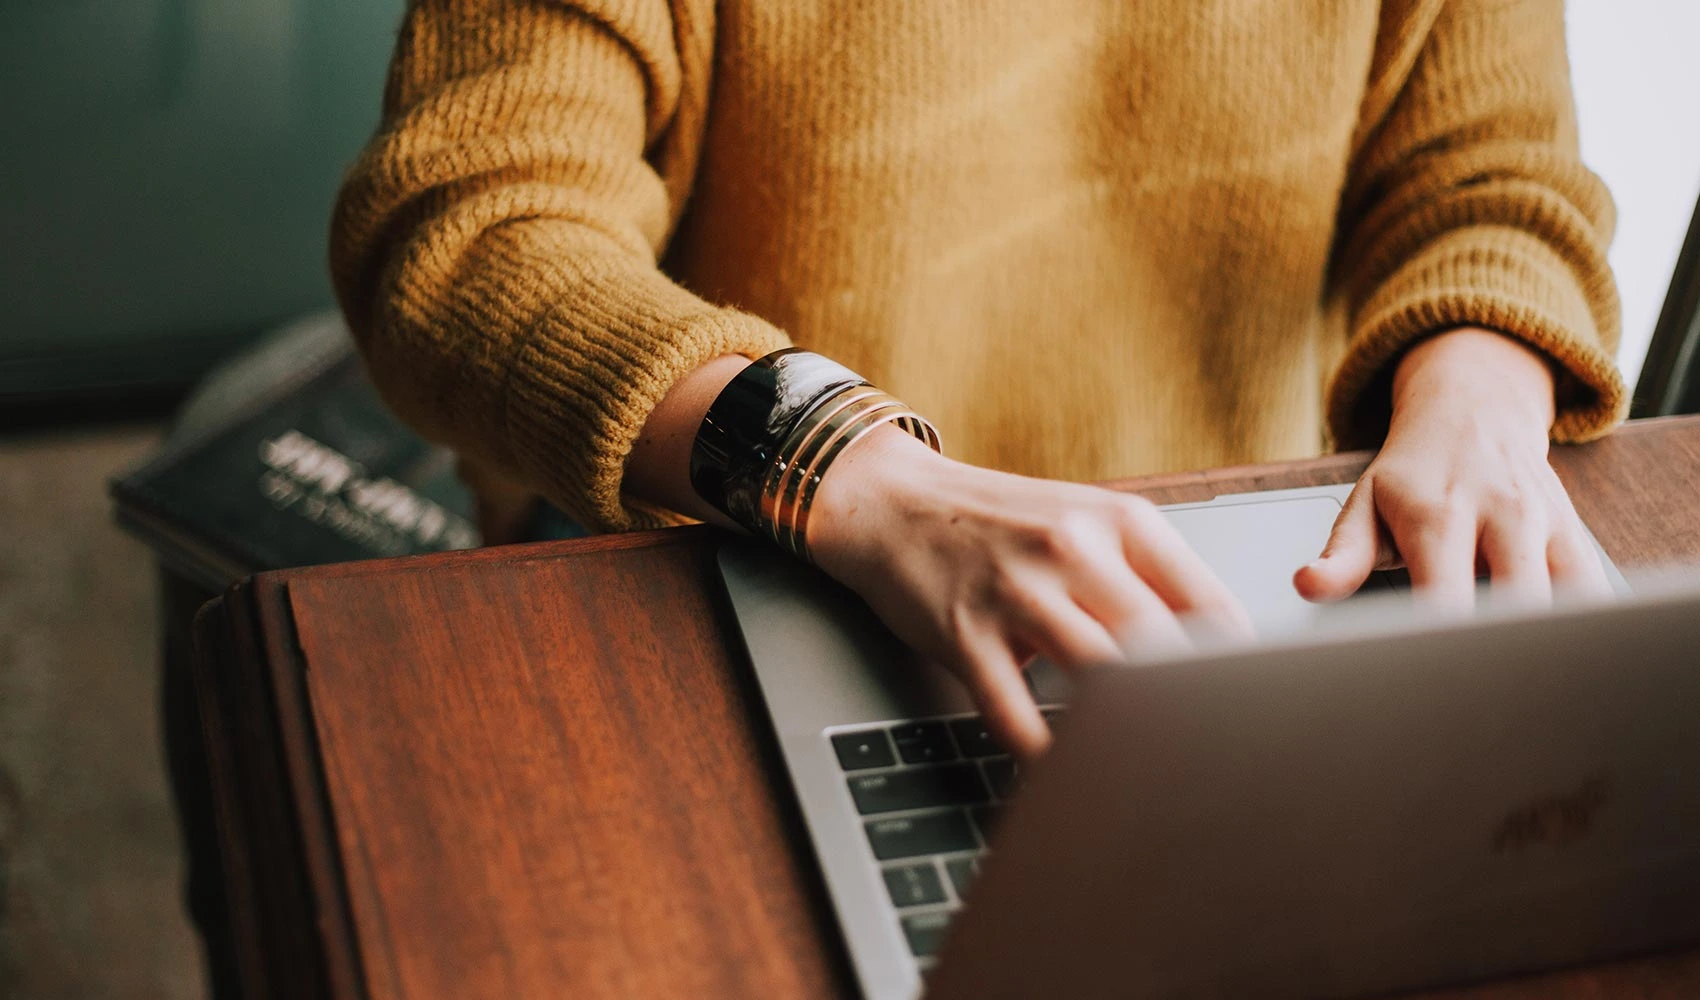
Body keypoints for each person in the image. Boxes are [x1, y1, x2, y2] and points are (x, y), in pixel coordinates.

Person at [330, 0, 1624, 758]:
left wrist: (1482, 394)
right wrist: (855, 472)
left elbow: (1491, 178)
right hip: (734, 555)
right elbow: (468, 227)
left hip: (1222, 591)